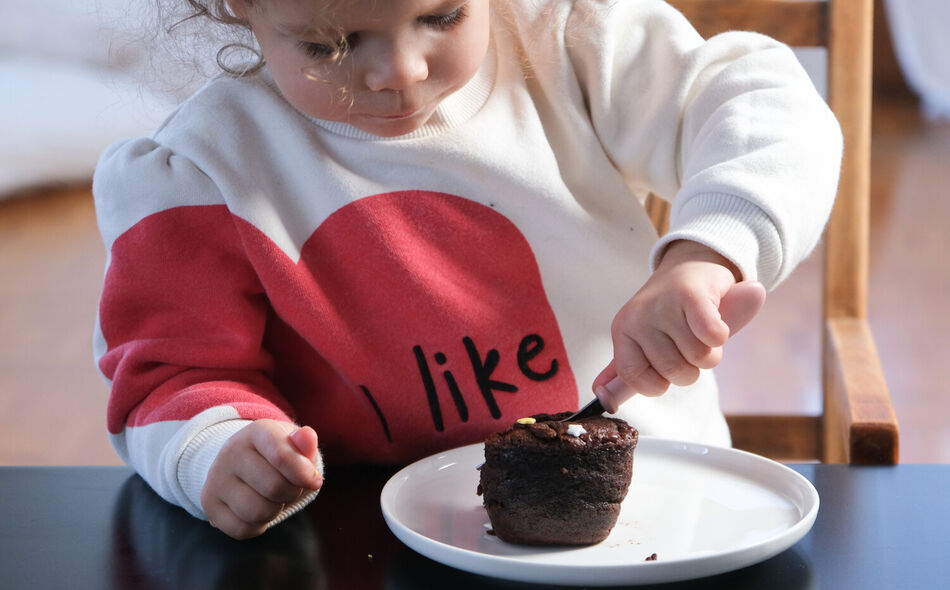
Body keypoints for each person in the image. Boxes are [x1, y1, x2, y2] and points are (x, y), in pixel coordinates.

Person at [93, 0, 841, 540]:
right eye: (330, 44)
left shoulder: (567, 47)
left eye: (443, 15)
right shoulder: (203, 171)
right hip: (373, 540)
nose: (399, 70)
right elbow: (168, 378)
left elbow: (765, 105)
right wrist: (217, 448)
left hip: (666, 515)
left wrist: (708, 251)